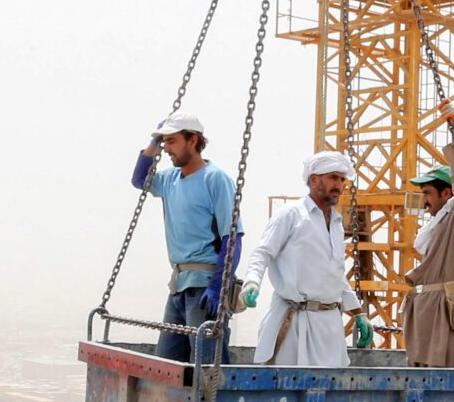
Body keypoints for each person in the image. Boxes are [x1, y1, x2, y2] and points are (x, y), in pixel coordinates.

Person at [130, 113, 237, 363]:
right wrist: (153, 143)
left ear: (193, 140)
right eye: (165, 142)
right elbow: (139, 180)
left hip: (204, 285)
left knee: (206, 365)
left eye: (172, 141)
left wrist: (217, 287)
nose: (167, 149)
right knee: (167, 363)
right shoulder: (170, 179)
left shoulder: (215, 179)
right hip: (179, 285)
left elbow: (232, 238)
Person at [247, 152, 362, 368]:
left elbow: (335, 275)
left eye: (341, 179)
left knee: (329, 396)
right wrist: (252, 282)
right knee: (284, 396)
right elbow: (262, 252)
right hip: (294, 324)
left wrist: (358, 313)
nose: (338, 185)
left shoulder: (337, 224)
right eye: (333, 178)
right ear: (314, 180)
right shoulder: (290, 215)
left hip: (329, 330)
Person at [404, 120, 454, 367]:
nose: (424, 200)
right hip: (426, 313)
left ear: (447, 193)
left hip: (443, 314)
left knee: (441, 373)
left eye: (427, 193)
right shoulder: (439, 224)